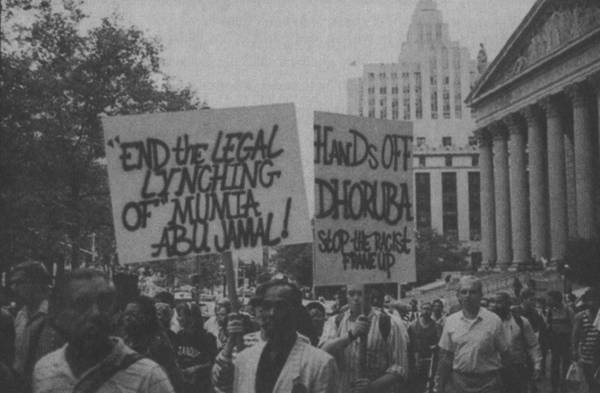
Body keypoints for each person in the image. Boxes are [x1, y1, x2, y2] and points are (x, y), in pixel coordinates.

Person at [32, 268, 175, 392]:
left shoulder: (149, 378)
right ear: (60, 313)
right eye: (82, 303)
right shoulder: (44, 370)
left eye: (104, 303)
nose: (96, 313)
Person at [212, 279, 339, 393]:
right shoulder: (244, 358)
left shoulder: (319, 364)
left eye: (280, 306)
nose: (272, 313)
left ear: (296, 313)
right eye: (267, 306)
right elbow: (223, 386)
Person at [319, 283, 408, 393]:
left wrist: (372, 387)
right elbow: (322, 352)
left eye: (360, 294)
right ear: (346, 296)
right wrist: (351, 335)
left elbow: (400, 368)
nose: (356, 298)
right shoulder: (335, 321)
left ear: (370, 295)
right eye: (351, 294)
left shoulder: (389, 323)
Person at [437, 276, 508, 393]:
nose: (467, 296)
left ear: (481, 294)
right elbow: (446, 358)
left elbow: (505, 355)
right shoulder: (450, 321)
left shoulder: (494, 320)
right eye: (463, 292)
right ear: (458, 296)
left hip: (488, 384)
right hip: (460, 383)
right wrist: (440, 387)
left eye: (472, 292)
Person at [9, 261, 63, 388]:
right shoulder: (20, 315)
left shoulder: (56, 316)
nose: (14, 288)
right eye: (12, 284)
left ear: (36, 283)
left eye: (19, 282)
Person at [120, 296, 185, 392]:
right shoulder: (126, 339)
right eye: (126, 314)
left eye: (133, 315)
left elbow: (173, 379)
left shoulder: (158, 344)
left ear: (146, 318)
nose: (127, 318)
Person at [490, 292, 541, 393]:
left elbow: (533, 345)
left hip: (518, 368)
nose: (496, 305)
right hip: (495, 370)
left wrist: (537, 365)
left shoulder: (521, 322)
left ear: (508, 303)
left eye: (499, 302)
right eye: (494, 302)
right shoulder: (488, 324)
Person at [175, 302, 217, 393]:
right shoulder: (179, 336)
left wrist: (195, 369)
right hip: (183, 385)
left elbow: (213, 363)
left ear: (191, 317)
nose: (177, 319)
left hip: (201, 386)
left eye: (180, 315)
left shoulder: (207, 337)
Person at [407, 301, 442, 393]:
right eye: (424, 308)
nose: (426, 311)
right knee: (416, 384)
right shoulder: (413, 325)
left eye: (428, 309)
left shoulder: (437, 326)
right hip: (416, 360)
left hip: (431, 360)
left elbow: (441, 343)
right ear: (420, 310)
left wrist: (436, 346)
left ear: (432, 311)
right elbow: (409, 344)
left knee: (429, 384)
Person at [571, 288, 600, 393]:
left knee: (596, 383)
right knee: (589, 381)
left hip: (598, 356)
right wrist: (574, 351)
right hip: (585, 355)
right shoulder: (580, 316)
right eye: (590, 300)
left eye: (595, 300)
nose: (592, 303)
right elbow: (575, 336)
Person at [546, 290, 573, 393]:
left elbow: (574, 326)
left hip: (566, 341)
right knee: (554, 365)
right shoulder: (550, 311)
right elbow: (548, 326)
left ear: (556, 299)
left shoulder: (568, 310)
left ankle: (564, 387)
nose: (548, 300)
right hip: (555, 341)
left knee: (566, 364)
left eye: (550, 298)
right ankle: (554, 387)